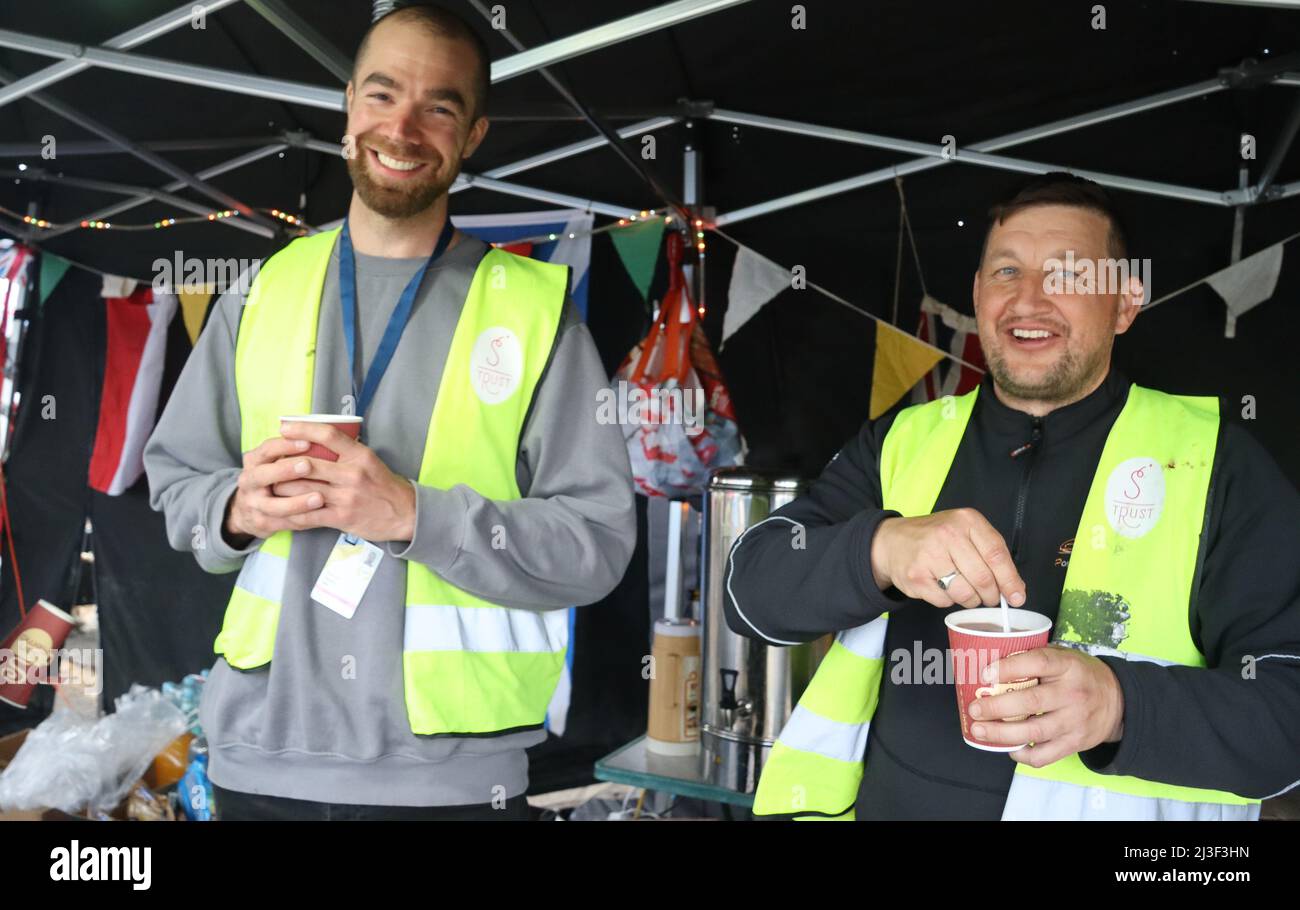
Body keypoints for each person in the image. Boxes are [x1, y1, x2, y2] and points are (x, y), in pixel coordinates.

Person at [144, 3, 636, 821]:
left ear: (473, 135)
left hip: (451, 784)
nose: (402, 127)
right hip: (258, 767)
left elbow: (598, 545)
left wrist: (415, 515)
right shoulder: (261, 292)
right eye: (381, 95)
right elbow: (176, 489)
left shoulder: (536, 314)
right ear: (348, 105)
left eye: (438, 106)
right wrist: (232, 509)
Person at [724, 172, 1300, 820]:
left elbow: (1286, 712)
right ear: (976, 294)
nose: (1029, 300)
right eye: (1006, 272)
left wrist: (1118, 705)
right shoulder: (903, 440)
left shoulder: (1216, 462)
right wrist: (880, 549)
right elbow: (749, 593)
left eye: (1069, 276)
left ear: (1125, 304)